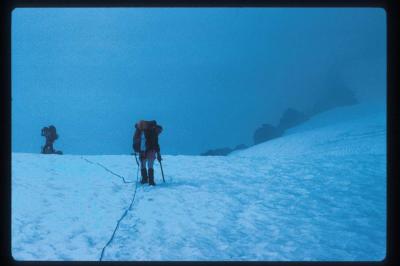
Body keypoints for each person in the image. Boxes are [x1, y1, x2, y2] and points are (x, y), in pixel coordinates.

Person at [133, 120, 163, 186]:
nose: (160, 133)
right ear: (158, 129)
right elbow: (156, 144)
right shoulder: (153, 133)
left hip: (142, 150)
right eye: (160, 131)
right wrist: (158, 154)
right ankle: (151, 181)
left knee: (143, 164)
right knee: (150, 165)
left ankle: (144, 179)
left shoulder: (144, 131)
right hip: (151, 150)